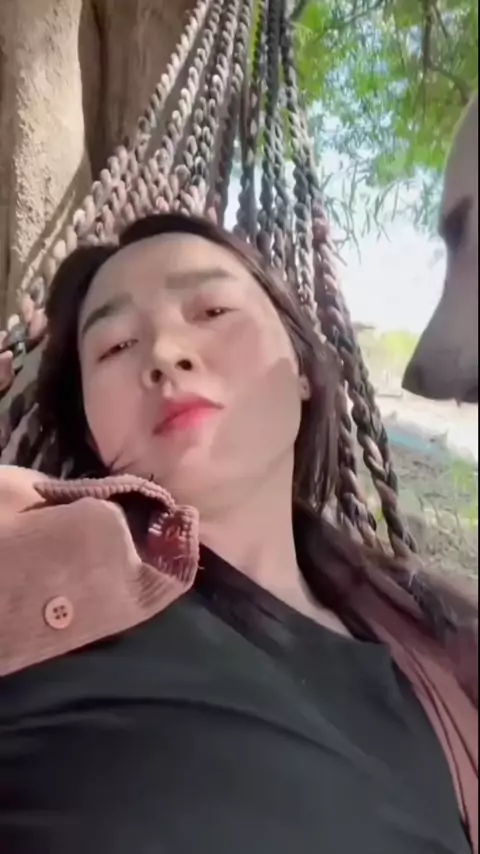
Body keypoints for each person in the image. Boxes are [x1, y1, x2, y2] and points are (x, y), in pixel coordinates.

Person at [0, 213, 477, 854]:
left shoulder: (444, 652)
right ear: (89, 427)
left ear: (301, 367)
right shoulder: (35, 552)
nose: (165, 354)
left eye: (213, 310)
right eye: (114, 346)